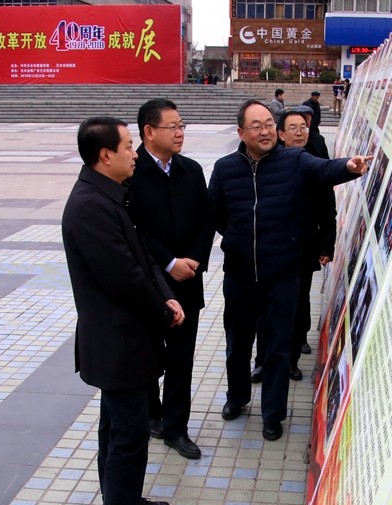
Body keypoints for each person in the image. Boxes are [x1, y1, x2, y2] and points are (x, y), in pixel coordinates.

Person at [208, 100, 372, 441]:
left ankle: (273, 414)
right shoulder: (224, 169)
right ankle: (236, 397)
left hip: (282, 274)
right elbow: (215, 214)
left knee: (278, 347)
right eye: (257, 126)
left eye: (269, 124)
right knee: (238, 343)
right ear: (241, 132)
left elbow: (326, 170)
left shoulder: (294, 160)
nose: (266, 131)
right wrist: (238, 238)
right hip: (239, 273)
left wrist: (349, 166)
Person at [62, 116, 184, 505]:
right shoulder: (91, 207)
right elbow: (124, 278)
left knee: (117, 431)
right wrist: (163, 312)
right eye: (128, 146)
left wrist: (166, 295)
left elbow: (142, 259)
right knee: (128, 437)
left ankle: (124, 502)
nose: (134, 154)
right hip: (119, 345)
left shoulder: (110, 194)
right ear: (105, 155)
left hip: (128, 341)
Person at [128, 98, 215, 460]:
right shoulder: (130, 173)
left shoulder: (190, 170)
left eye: (182, 126)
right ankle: (152, 415)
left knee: (181, 359)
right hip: (149, 285)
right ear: (149, 132)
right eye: (173, 127)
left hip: (187, 281)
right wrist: (168, 262)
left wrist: (192, 260)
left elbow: (206, 219)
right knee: (147, 355)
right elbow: (133, 230)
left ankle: (176, 428)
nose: (180, 133)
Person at [251, 106, 335, 384]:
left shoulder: (315, 162)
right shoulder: (268, 163)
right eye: (293, 128)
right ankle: (262, 360)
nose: (300, 132)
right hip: (272, 250)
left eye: (304, 127)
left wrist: (326, 246)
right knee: (267, 308)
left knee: (298, 304)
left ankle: (291, 360)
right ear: (281, 134)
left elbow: (328, 210)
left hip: (303, 247)